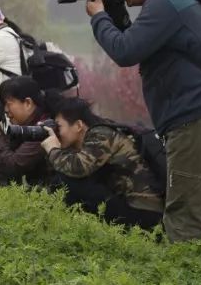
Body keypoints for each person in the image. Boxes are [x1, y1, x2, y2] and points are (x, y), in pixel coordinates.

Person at [85, 0, 201, 242]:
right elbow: (135, 40)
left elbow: (125, 51)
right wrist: (114, 12)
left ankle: (184, 283)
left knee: (184, 213)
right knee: (198, 208)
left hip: (190, 117)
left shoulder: (165, 2)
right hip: (197, 114)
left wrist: (98, 17)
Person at [41, 98, 164, 232]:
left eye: (58, 127)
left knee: (68, 181)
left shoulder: (101, 134)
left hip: (143, 211)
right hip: (130, 206)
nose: (57, 133)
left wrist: (53, 150)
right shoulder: (91, 139)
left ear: (78, 125)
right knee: (64, 179)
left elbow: (78, 168)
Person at [0, 75, 54, 188]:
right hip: (39, 190)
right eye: (3, 105)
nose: (5, 110)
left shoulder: (42, 129)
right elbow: (5, 153)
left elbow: (14, 165)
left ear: (28, 103)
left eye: (9, 104)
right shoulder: (28, 125)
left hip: (52, 195)